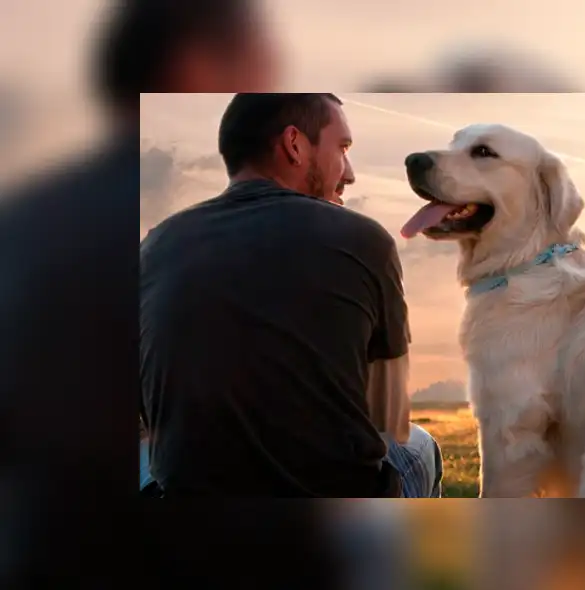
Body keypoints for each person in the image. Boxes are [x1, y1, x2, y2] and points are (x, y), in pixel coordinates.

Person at [139, 93, 442, 497]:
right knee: (419, 445)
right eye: (343, 148)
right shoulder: (364, 238)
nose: (349, 173)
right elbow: (389, 414)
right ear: (294, 144)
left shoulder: (155, 246)